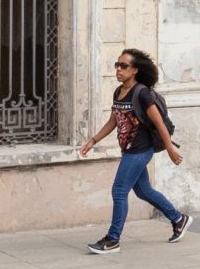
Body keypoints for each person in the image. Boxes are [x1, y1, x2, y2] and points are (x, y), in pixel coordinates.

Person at [78, 47, 191, 253]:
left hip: (140, 150)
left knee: (119, 191)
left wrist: (169, 149)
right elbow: (114, 120)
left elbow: (159, 124)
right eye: (117, 65)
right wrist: (93, 140)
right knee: (143, 190)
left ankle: (113, 239)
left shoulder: (142, 94)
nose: (118, 69)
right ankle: (178, 218)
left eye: (124, 66)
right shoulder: (118, 92)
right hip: (128, 149)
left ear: (135, 70)